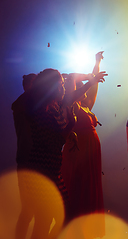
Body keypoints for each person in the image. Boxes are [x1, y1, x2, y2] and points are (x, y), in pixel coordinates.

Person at [17, 68, 74, 239]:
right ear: (53, 86)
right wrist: (71, 125)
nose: (63, 87)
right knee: (53, 217)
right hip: (42, 171)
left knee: (51, 218)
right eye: (61, 84)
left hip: (51, 171)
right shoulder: (41, 111)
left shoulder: (53, 107)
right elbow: (54, 142)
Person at [61, 51, 107, 237]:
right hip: (78, 155)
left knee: (89, 189)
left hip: (90, 156)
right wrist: (90, 78)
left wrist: (96, 64)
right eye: (80, 87)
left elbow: (94, 88)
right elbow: (73, 78)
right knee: (78, 189)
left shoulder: (85, 107)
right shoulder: (69, 104)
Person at [12, 73, 36, 239]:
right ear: (29, 86)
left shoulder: (28, 103)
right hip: (28, 161)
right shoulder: (22, 104)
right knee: (28, 211)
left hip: (32, 161)